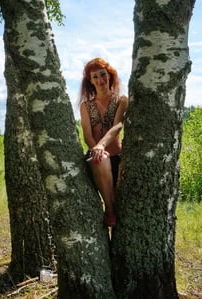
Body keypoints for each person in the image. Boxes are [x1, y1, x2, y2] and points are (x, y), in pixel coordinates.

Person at [79, 58, 128, 227]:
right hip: (97, 157)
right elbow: (86, 133)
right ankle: (109, 208)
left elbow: (118, 126)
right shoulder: (85, 106)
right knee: (100, 159)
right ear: (90, 81)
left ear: (110, 75)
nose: (100, 80)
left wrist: (102, 145)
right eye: (95, 77)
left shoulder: (121, 100)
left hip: (117, 157)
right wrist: (96, 148)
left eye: (103, 75)